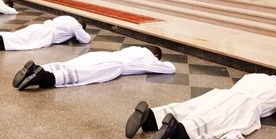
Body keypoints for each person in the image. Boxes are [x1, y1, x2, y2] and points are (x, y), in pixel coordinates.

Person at [125, 73, 276, 139]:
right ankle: (178, 130)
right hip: (245, 103)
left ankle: (150, 118)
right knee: (214, 122)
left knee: (193, 107)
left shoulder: (255, 76)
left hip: (223, 93)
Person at [12, 45, 176, 91]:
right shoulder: (149, 58)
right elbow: (170, 69)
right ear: (155, 56)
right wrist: (160, 62)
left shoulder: (134, 48)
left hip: (103, 55)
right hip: (113, 66)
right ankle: (46, 78)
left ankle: (40, 69)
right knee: (81, 75)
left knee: (71, 64)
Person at [0, 15, 91, 53]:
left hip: (38, 27)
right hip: (45, 35)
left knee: (14, 36)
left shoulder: (66, 17)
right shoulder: (76, 25)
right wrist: (80, 32)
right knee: (17, 43)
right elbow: (86, 39)